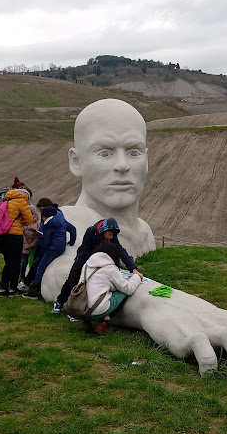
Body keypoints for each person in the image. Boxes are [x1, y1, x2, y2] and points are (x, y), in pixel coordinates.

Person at [40, 98, 155, 302]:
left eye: (134, 152)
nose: (122, 165)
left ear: (146, 159)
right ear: (76, 162)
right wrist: (151, 306)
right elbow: (56, 275)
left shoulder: (145, 232)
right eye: (105, 153)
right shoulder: (70, 221)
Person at [53, 217, 143, 313]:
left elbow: (120, 251)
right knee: (73, 280)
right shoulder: (91, 231)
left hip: (99, 261)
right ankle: (60, 301)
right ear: (103, 230)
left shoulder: (112, 236)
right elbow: (85, 250)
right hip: (84, 258)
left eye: (113, 235)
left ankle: (83, 307)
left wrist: (133, 268)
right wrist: (89, 265)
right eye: (109, 234)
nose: (111, 237)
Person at [72, 239, 144, 334]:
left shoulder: (87, 264)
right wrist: (137, 277)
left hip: (79, 308)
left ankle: (85, 322)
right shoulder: (110, 268)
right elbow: (128, 289)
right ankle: (103, 323)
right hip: (96, 310)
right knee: (122, 293)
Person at [24, 206, 76, 299]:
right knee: (37, 263)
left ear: (46, 216)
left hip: (52, 248)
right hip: (60, 247)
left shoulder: (49, 224)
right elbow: (73, 229)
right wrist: (71, 242)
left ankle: (36, 289)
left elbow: (46, 241)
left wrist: (40, 241)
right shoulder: (61, 220)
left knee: (41, 266)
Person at [0, 177, 34, 296]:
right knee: (16, 262)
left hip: (3, 234)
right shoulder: (21, 201)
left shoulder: (7, 199)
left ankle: (3, 288)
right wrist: (21, 221)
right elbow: (29, 220)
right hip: (15, 235)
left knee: (8, 262)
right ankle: (13, 289)